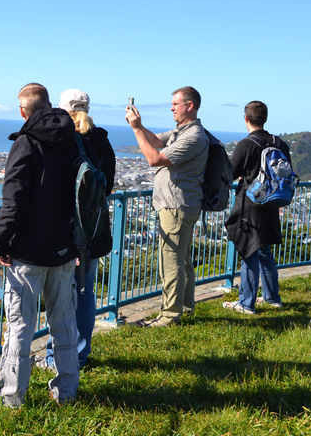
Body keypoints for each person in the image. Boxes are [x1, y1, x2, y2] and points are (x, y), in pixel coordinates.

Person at [0, 82, 82, 407]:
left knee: (19, 327)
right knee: (64, 324)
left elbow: (13, 202)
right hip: (64, 249)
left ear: (22, 111)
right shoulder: (73, 141)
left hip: (28, 253)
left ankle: (12, 398)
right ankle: (67, 392)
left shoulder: (26, 144)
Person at [39, 89, 116, 369]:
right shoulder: (101, 140)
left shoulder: (62, 140)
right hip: (93, 229)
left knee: (60, 295)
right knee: (85, 293)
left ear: (60, 109)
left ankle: (55, 356)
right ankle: (79, 355)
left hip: (64, 231)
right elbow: (106, 187)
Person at [125, 86, 209, 327]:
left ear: (189, 106)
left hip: (177, 206)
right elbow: (154, 140)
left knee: (170, 261)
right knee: (181, 261)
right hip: (179, 205)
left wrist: (134, 128)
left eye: (175, 103)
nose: (171, 107)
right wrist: (138, 126)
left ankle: (170, 316)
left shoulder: (193, 136)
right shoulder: (181, 131)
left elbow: (154, 158)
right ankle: (185, 307)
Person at [223, 101, 288, 314]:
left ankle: (246, 303)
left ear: (246, 119)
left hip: (250, 204)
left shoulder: (246, 144)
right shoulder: (280, 143)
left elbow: (230, 174)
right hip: (272, 203)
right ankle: (272, 298)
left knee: (248, 251)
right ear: (265, 118)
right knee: (264, 251)